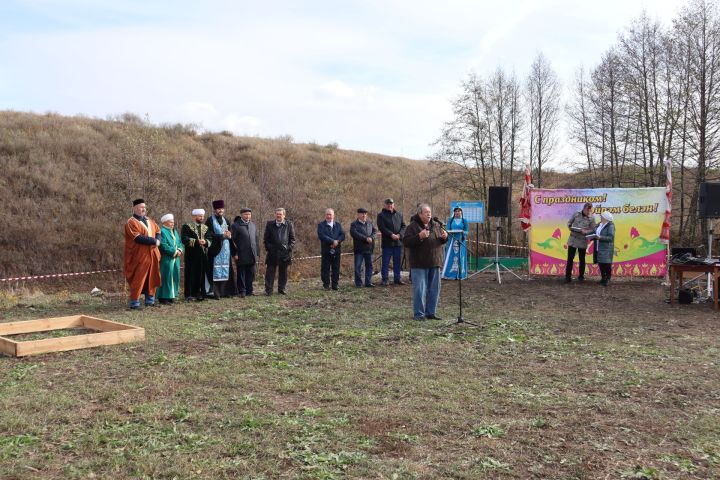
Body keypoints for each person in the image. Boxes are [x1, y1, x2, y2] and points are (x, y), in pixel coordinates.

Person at [403, 204, 449, 320]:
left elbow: (439, 241)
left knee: (434, 289)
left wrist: (445, 238)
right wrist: (419, 236)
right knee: (420, 290)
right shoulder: (412, 227)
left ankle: (430, 313)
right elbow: (406, 242)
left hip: (434, 263)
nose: (429, 214)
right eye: (426, 212)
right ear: (420, 214)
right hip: (419, 264)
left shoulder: (436, 225)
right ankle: (419, 314)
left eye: (430, 212)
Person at [124, 198, 162, 309]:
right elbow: (137, 238)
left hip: (153, 253)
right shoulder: (131, 222)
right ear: (135, 208)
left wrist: (158, 239)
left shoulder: (149, 220)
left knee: (152, 276)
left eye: (144, 207)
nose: (144, 209)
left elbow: (158, 231)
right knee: (139, 278)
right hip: (140, 255)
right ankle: (134, 303)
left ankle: (150, 300)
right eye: (141, 207)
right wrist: (154, 241)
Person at [205, 200, 236, 298]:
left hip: (226, 250)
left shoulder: (226, 220)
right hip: (215, 250)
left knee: (227, 270)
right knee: (215, 271)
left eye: (222, 209)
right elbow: (208, 234)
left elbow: (230, 232)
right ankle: (216, 293)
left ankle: (226, 292)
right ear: (215, 210)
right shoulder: (210, 220)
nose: (220, 210)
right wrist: (222, 236)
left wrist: (229, 234)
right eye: (219, 209)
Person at [264, 207, 296, 295]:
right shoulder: (269, 224)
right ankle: (268, 290)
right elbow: (266, 239)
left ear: (284, 215)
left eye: (280, 214)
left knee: (283, 273)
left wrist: (288, 248)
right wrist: (269, 248)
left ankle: (281, 289)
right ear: (275, 215)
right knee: (270, 273)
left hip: (284, 253)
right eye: (277, 214)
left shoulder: (289, 224)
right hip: (272, 253)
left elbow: (292, 239)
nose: (278, 216)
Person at [181, 208, 212, 301]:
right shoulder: (186, 226)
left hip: (203, 255)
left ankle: (201, 294)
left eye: (202, 216)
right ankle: (189, 295)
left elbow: (210, 238)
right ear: (194, 216)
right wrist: (197, 241)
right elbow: (184, 239)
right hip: (191, 255)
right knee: (191, 274)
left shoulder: (205, 228)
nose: (202, 218)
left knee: (202, 275)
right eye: (200, 216)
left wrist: (205, 241)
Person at [377, 198, 406, 286]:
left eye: (391, 204)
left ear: (394, 204)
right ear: (385, 205)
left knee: (397, 262)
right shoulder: (381, 215)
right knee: (385, 262)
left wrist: (400, 235)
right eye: (388, 204)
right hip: (387, 243)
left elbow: (403, 226)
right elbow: (382, 227)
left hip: (398, 243)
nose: (390, 205)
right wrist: (391, 234)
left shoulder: (399, 214)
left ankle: (397, 279)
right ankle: (385, 279)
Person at [565, 202, 597, 283]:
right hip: (573, 239)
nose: (588, 212)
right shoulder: (576, 214)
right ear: (584, 208)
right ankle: (567, 277)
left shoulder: (592, 218)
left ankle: (581, 277)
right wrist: (570, 227)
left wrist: (586, 231)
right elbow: (569, 223)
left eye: (590, 210)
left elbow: (593, 229)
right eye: (587, 210)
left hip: (582, 240)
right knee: (570, 259)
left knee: (582, 259)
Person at [231, 207, 259, 297]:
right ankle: (242, 291)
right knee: (241, 274)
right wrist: (234, 253)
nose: (248, 216)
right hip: (241, 254)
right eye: (246, 214)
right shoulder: (235, 225)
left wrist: (257, 252)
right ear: (241, 215)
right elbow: (232, 241)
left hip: (252, 254)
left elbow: (256, 240)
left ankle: (249, 291)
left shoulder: (253, 225)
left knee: (251, 273)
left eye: (249, 214)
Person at [157, 213, 184, 305]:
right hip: (167, 259)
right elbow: (163, 245)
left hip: (176, 259)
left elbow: (179, 242)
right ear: (165, 222)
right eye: (170, 222)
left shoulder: (174, 231)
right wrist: (174, 252)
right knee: (166, 277)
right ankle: (163, 297)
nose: (173, 224)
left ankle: (172, 296)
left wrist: (180, 249)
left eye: (173, 222)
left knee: (175, 276)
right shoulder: (162, 231)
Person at [317, 208, 346, 290]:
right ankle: (326, 285)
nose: (329, 216)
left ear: (333, 215)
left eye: (330, 214)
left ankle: (335, 285)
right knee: (325, 268)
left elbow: (342, 235)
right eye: (327, 214)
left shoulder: (338, 225)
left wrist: (337, 241)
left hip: (336, 250)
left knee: (336, 268)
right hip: (326, 250)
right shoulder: (321, 225)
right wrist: (332, 241)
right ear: (325, 215)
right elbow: (322, 236)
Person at [350, 207, 377, 287]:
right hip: (359, 250)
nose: (364, 215)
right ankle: (358, 283)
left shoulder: (369, 223)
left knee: (369, 266)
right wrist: (366, 238)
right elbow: (354, 233)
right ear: (358, 214)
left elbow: (375, 231)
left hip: (369, 249)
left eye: (365, 214)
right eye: (362, 214)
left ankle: (368, 282)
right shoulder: (354, 224)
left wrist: (371, 237)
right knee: (358, 267)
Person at [442, 206, 470, 280]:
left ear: (461, 212)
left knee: (461, 257)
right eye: (456, 211)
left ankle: (461, 275)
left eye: (458, 211)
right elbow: (447, 230)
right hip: (451, 241)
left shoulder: (464, 221)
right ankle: (450, 275)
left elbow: (467, 231)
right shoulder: (450, 220)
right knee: (451, 256)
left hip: (461, 240)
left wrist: (463, 233)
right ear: (454, 212)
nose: (457, 212)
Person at [591, 210, 616, 286]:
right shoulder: (600, 224)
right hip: (599, 247)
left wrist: (600, 237)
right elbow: (594, 231)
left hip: (607, 249)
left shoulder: (611, 226)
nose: (600, 217)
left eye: (601, 216)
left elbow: (610, 238)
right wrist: (587, 233)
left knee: (607, 264)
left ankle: (608, 279)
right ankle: (603, 278)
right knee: (601, 263)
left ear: (606, 218)